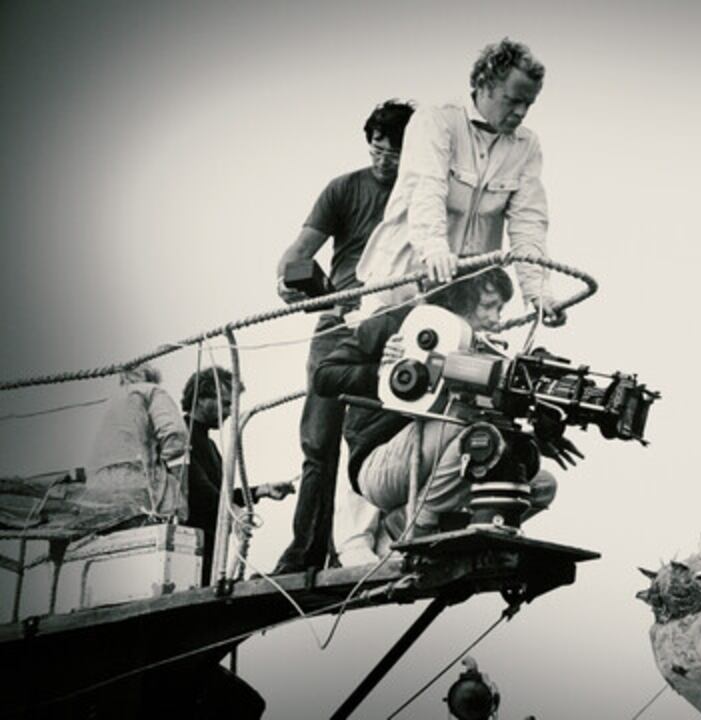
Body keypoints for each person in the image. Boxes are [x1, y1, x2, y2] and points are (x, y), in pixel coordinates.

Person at [273, 99, 416, 575]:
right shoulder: (343, 189)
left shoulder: (423, 195)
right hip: (338, 324)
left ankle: (361, 543)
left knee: (375, 435)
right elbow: (297, 252)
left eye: (393, 153)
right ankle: (305, 551)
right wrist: (289, 281)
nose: (383, 161)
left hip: (391, 324)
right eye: (377, 150)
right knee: (318, 442)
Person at [313, 268, 556, 537]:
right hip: (379, 465)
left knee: (539, 484)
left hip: (437, 455)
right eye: (488, 305)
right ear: (460, 297)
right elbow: (324, 376)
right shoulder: (397, 322)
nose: (495, 318)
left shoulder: (482, 348)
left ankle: (447, 527)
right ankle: (418, 521)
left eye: (499, 309)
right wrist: (382, 370)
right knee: (470, 421)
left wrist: (540, 430)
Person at [355, 39, 565, 326]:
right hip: (400, 286)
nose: (521, 112)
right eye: (513, 100)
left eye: (528, 104)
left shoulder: (526, 146)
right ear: (484, 85)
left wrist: (538, 293)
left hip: (464, 299)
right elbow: (427, 189)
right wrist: (434, 249)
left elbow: (528, 224)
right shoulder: (436, 120)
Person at [181, 366, 293, 584]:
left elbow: (219, 494)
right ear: (201, 399)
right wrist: (235, 511)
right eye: (225, 403)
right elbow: (199, 489)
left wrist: (261, 490)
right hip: (188, 549)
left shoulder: (209, 445)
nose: (230, 411)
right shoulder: (180, 435)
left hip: (208, 549)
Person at [85, 363, 189, 524]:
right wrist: (162, 460)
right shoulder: (151, 391)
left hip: (97, 487)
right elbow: (175, 434)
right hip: (136, 481)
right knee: (174, 504)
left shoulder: (108, 402)